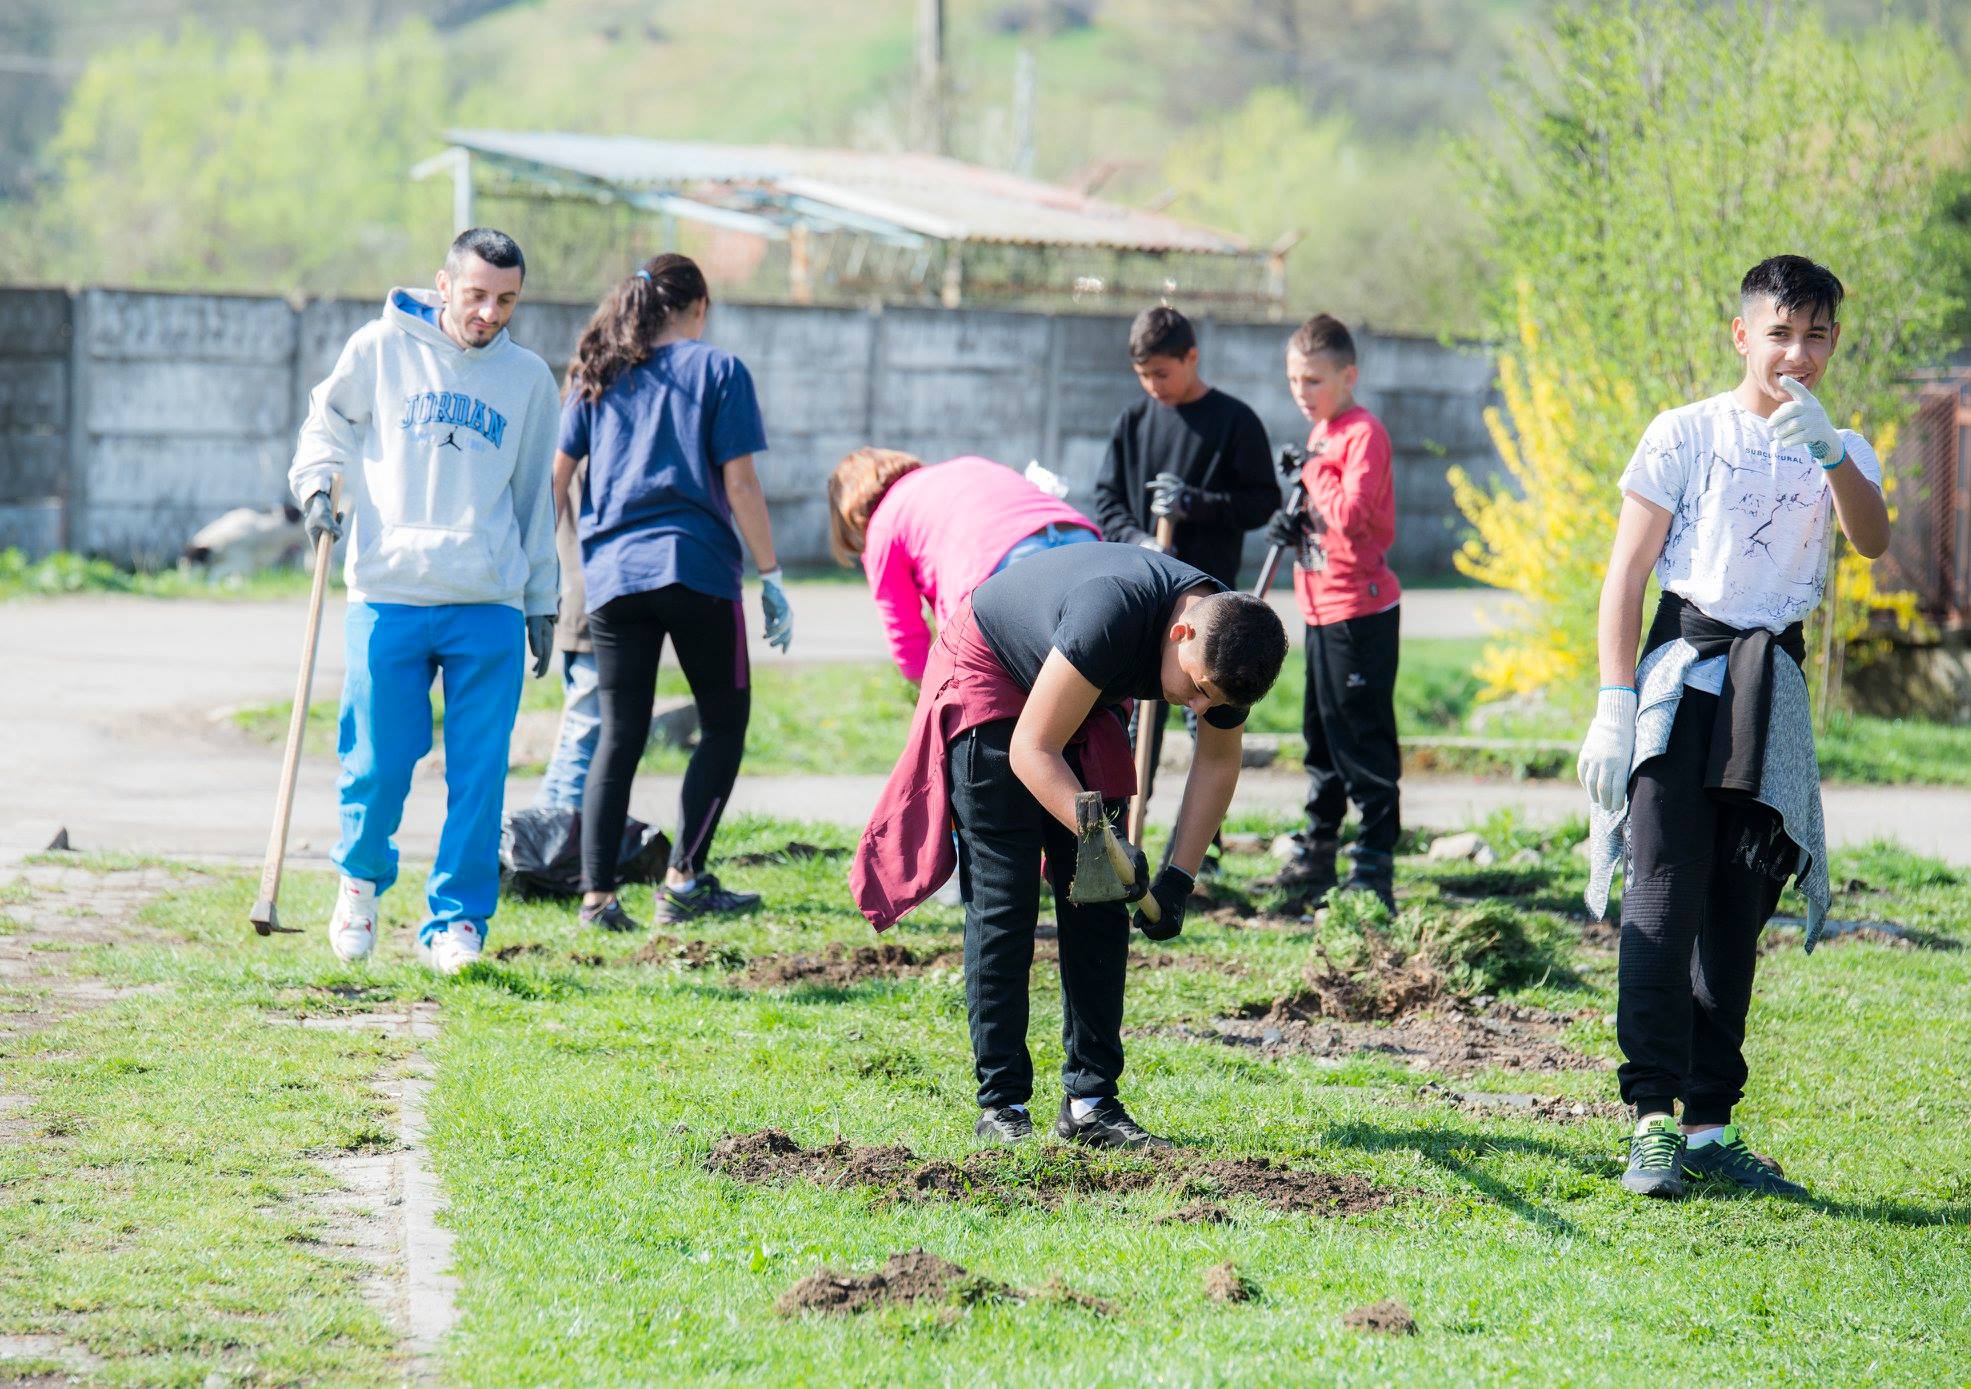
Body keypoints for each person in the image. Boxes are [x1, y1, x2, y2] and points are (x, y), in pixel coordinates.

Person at [1578, 255, 1889, 1201]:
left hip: (1773, 688)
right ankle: (1649, 1117)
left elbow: (1873, 540)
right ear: (1741, 334)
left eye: (1817, 335)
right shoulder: (1685, 432)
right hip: (1683, 673)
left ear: (1833, 340)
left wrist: (1833, 455)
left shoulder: (1842, 443)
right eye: (1780, 332)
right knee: (1663, 892)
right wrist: (1613, 696)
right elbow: (1626, 573)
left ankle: (1711, 1123)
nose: (1797, 353)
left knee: (1738, 903)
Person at [852, 543, 1289, 1148]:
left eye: (1214, 703)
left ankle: (1090, 1105)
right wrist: (1106, 838)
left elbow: (1216, 763)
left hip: (1078, 693)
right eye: (1196, 690)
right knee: (1006, 906)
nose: (1198, 708)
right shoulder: (1110, 614)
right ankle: (1001, 1105)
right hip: (994, 675)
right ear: (1180, 632)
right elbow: (1033, 749)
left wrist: (1178, 879)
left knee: (1100, 903)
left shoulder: (1227, 649)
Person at [289, 227, 560, 974]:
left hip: (489, 600)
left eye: (505, 300)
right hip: (389, 591)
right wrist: (315, 485)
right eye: (475, 295)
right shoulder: (378, 348)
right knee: (378, 757)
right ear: (443, 285)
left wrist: (542, 599)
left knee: (480, 771)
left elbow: (536, 496)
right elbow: (326, 423)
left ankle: (456, 920)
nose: (488, 314)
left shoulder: (530, 378)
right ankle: (359, 882)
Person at [555, 254, 789, 932]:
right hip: (695, 569)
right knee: (723, 722)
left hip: (611, 578)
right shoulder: (717, 370)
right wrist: (771, 576)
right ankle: (684, 878)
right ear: (698, 306)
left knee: (619, 731)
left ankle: (597, 898)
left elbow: (557, 474)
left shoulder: (596, 369)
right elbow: (740, 483)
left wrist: (556, 559)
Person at [1092, 305, 1279, 816]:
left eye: (1162, 373)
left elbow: (1261, 501)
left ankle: (1203, 848)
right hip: (1144, 607)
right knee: (1134, 728)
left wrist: (1193, 503)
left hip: (1210, 612)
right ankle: (1123, 832)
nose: (1153, 385)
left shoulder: (1234, 422)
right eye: (1143, 375)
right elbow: (1106, 500)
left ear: (1191, 357)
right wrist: (1138, 538)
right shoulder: (1132, 423)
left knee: (1210, 722)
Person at [1265, 315, 1403, 909]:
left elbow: (1349, 515)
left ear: (1348, 376)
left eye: (1314, 380)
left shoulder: (1360, 433)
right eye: (1295, 379)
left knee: (1361, 740)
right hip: (1319, 610)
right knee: (1319, 738)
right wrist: (1290, 522)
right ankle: (1318, 851)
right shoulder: (1322, 435)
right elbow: (1321, 523)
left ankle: (1373, 864)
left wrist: (1310, 474)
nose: (1302, 391)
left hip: (1359, 612)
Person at [827, 448, 1101, 684]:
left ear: (851, 511)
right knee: (1094, 686)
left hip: (1006, 569)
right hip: (1084, 543)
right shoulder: (967, 466)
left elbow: (909, 644)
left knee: (1007, 710)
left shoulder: (884, 523)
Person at [531, 458, 599, 810]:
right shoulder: (587, 426)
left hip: (576, 595)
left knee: (577, 728)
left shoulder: (569, 425)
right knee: (588, 728)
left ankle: (549, 826)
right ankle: (562, 833)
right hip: (589, 598)